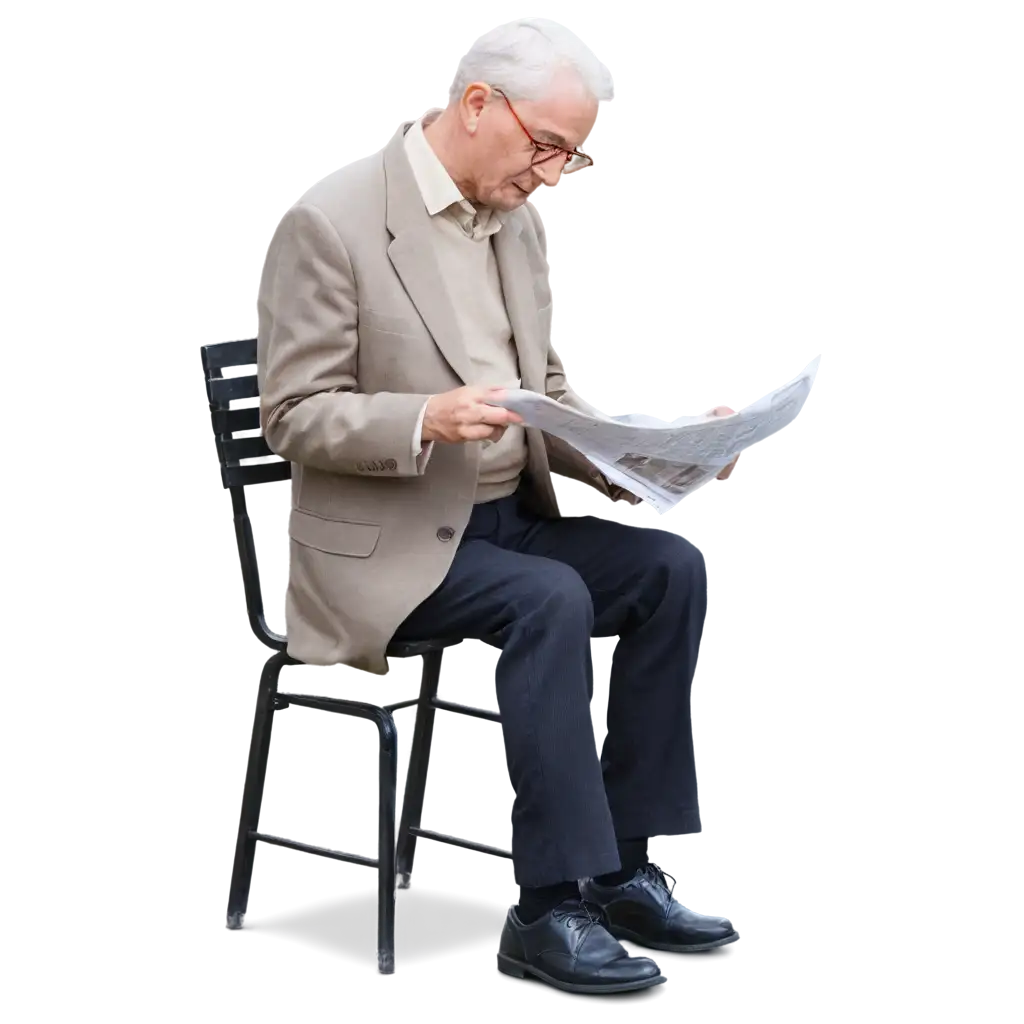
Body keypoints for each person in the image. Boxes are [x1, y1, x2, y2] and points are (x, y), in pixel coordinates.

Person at [256, 15, 739, 997]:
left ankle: (625, 872)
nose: (554, 176)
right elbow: (292, 416)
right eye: (546, 146)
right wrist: (421, 416)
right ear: (478, 105)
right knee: (547, 596)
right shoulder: (330, 218)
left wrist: (652, 449)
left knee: (668, 567)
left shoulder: (516, 224)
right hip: (386, 545)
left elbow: (545, 385)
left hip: (507, 515)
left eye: (573, 154)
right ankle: (546, 906)